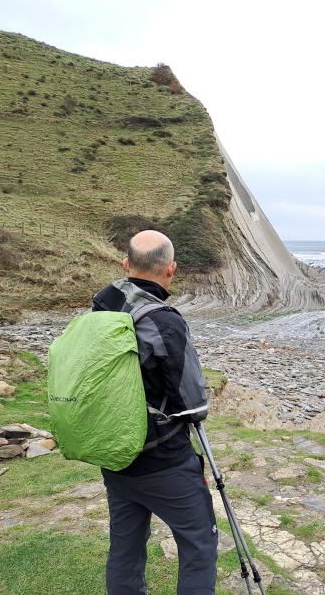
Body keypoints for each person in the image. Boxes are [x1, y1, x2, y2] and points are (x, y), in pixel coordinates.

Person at [92, 230, 218, 595]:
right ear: (171, 270)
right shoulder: (164, 321)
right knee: (198, 543)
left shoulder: (103, 307)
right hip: (162, 459)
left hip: (114, 451)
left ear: (126, 265)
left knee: (125, 547)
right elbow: (193, 403)